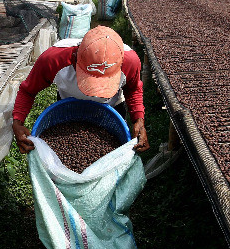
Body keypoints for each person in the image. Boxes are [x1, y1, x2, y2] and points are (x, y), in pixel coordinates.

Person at [13, 25, 150, 154]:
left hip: (112, 109)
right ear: (76, 57)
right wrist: (18, 122)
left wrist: (139, 121)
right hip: (67, 109)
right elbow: (28, 90)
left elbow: (133, 90)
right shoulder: (53, 59)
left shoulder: (130, 62)